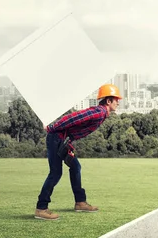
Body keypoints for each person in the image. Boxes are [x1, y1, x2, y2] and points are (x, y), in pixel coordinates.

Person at [34, 83, 122, 220]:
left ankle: (80, 202)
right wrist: (52, 127)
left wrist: (68, 141)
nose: (118, 102)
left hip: (63, 140)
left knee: (75, 166)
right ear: (108, 101)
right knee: (55, 173)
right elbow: (74, 118)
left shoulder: (102, 113)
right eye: (116, 100)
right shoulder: (99, 112)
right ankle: (41, 208)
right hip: (56, 138)